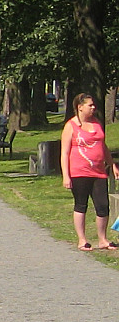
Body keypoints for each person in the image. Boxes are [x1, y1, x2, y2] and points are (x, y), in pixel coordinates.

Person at [60, 93, 116, 251]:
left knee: (103, 205)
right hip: (79, 171)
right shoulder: (71, 126)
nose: (93, 107)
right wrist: (66, 175)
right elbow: (64, 153)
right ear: (80, 107)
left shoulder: (97, 123)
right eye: (90, 105)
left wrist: (112, 164)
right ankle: (82, 239)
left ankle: (102, 239)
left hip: (98, 171)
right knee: (81, 204)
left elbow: (103, 146)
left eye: (93, 105)